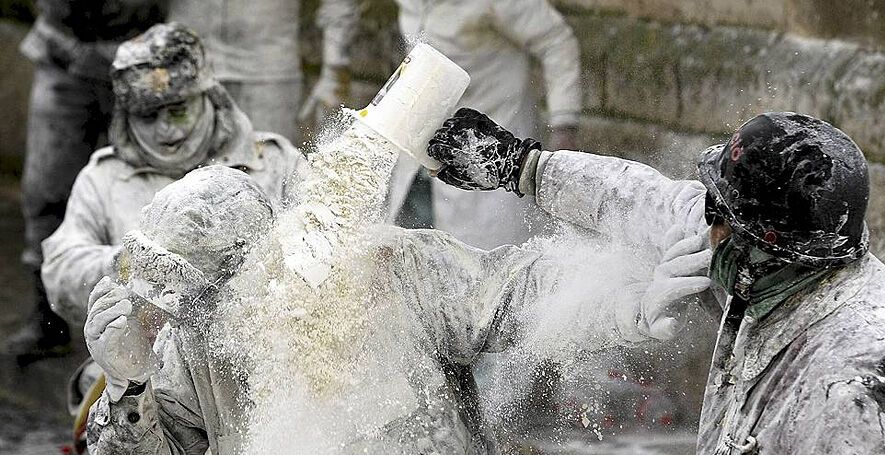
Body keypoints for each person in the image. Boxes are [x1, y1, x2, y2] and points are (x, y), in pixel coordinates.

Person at [80, 126, 708, 455]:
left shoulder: (390, 274)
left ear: (258, 267)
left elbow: (519, 291)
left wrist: (628, 297)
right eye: (186, 308)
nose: (192, 322)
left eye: (207, 302)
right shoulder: (198, 343)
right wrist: (129, 389)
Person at [427, 108, 885, 455]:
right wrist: (522, 167)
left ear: (769, 246)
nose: (705, 222)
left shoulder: (851, 384)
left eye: (720, 215)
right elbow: (638, 200)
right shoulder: (777, 270)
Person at [41, 23, 303, 455]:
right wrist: (142, 263)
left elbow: (329, 257)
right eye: (148, 114)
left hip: (243, 416)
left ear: (209, 94)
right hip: (132, 404)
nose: (164, 128)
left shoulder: (271, 163)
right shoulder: (103, 179)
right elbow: (59, 267)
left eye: (177, 109)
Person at [312, 0, 582, 247]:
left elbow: (558, 42)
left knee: (485, 261)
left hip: (489, 140)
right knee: (411, 256)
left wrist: (564, 125)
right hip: (422, 144)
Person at [2, 0, 167, 364]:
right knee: (46, 189)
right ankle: (48, 317)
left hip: (140, 59)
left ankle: (137, 325)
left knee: (138, 193)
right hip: (62, 53)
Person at [169, 0, 360, 145]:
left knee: (271, 173)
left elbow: (338, 4)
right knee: (177, 181)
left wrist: (334, 71)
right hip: (187, 65)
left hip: (268, 73)